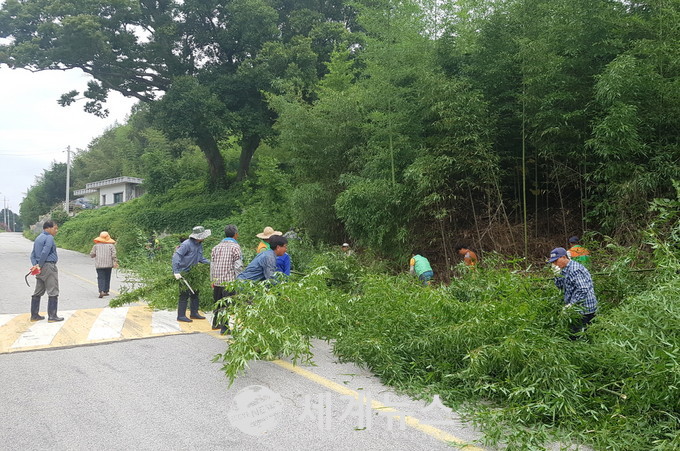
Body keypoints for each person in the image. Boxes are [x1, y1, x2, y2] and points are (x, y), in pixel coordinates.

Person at [548, 247, 598, 339]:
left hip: (584, 308)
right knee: (575, 335)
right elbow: (561, 287)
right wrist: (557, 275)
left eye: (556, 261)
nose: (554, 264)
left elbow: (583, 289)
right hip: (576, 308)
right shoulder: (564, 269)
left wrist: (571, 304)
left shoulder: (575, 270)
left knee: (578, 336)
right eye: (553, 262)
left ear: (564, 257)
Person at [172, 226, 211, 322]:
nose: (205, 238)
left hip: (193, 272)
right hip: (183, 273)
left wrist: (211, 263)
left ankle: (194, 313)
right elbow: (176, 256)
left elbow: (200, 258)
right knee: (184, 294)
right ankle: (181, 316)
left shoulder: (199, 245)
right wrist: (176, 271)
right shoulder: (186, 244)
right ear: (198, 236)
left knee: (195, 292)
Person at [29, 221, 63, 322]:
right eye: (55, 228)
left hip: (39, 268)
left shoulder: (38, 238)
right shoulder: (49, 238)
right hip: (48, 266)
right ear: (48, 228)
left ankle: (34, 315)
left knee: (38, 291)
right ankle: (52, 316)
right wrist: (40, 264)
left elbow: (32, 254)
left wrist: (36, 265)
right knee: (53, 291)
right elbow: (45, 251)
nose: (56, 230)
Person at [210, 224, 243, 330]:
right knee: (226, 305)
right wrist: (239, 280)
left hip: (217, 280)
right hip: (229, 281)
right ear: (235, 234)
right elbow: (238, 266)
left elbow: (212, 265)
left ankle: (215, 323)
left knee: (218, 303)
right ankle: (225, 328)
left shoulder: (216, 247)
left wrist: (212, 280)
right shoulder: (235, 247)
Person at [90, 231, 119, 298]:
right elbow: (113, 255)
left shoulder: (96, 246)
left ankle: (101, 291)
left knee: (100, 277)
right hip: (108, 264)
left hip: (99, 265)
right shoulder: (111, 246)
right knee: (107, 277)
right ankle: (106, 291)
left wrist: (95, 255)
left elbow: (92, 255)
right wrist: (116, 261)